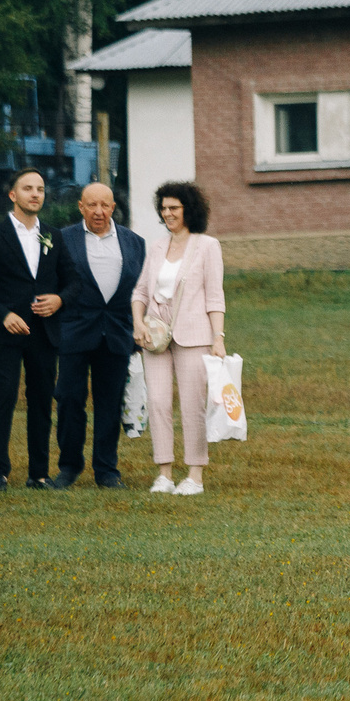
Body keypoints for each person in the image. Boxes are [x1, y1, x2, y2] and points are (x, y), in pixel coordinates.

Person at [0, 167, 64, 490]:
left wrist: (59, 299)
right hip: (5, 335)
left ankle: (39, 473)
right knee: (4, 399)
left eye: (40, 189)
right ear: (13, 195)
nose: (35, 194)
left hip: (44, 333)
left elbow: (72, 281)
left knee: (41, 401)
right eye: (28, 188)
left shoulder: (54, 236)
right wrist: (4, 315)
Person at [128, 182, 226, 496]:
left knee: (192, 405)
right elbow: (141, 291)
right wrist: (138, 323)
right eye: (164, 208)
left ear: (188, 210)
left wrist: (218, 337)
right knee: (157, 402)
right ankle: (165, 474)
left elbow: (215, 296)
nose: (167, 213)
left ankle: (195, 475)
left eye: (174, 208)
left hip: (194, 336)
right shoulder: (157, 247)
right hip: (155, 337)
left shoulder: (207, 246)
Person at [51, 181, 145, 488]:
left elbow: (142, 289)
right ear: (81, 207)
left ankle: (106, 470)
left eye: (105, 205)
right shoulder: (63, 240)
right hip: (75, 332)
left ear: (113, 208)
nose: (98, 211)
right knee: (68, 399)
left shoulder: (135, 243)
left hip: (117, 334)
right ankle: (68, 468)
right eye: (92, 205)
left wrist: (140, 327)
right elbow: (53, 284)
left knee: (110, 403)